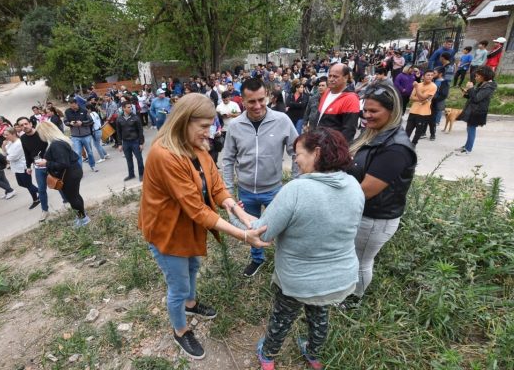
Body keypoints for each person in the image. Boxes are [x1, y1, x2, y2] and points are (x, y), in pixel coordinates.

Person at [138, 93, 268, 360]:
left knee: (193, 267)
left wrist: (242, 214)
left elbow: (216, 185)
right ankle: (180, 330)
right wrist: (243, 235)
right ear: (184, 121)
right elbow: (196, 208)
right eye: (204, 126)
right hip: (167, 232)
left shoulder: (196, 146)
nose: (210, 132)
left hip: (189, 227)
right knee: (178, 285)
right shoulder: (164, 154)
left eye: (211, 125)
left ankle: (191, 304)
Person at [226, 128, 363, 369]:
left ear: (316, 153)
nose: (295, 160)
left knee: (282, 317)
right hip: (337, 278)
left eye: (298, 154)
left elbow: (261, 233)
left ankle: (268, 356)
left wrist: (234, 212)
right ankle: (314, 354)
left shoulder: (297, 190)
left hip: (298, 279)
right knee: (319, 315)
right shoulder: (353, 185)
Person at [342, 84, 416, 309]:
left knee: (361, 260)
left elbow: (366, 190)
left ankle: (354, 300)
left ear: (392, 111)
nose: (367, 115)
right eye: (365, 110)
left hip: (375, 218)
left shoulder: (395, 148)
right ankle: (346, 291)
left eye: (374, 111)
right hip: (363, 212)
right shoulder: (375, 135)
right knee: (353, 257)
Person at [222, 78, 298, 277]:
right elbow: (228, 159)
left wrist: (296, 183)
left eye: (261, 100)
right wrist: (228, 192)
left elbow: (297, 152)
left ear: (268, 97)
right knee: (251, 229)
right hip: (245, 191)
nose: (257, 106)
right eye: (251, 101)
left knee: (285, 229)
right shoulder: (235, 126)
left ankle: (285, 261)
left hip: (274, 191)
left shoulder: (282, 120)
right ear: (242, 101)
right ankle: (257, 258)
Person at [36, 122, 89, 227]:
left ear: (44, 132)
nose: (39, 136)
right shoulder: (58, 141)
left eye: (39, 133)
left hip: (70, 174)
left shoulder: (56, 144)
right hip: (72, 172)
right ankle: (81, 216)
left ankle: (83, 219)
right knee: (75, 196)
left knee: (72, 197)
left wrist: (46, 163)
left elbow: (63, 164)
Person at [310, 63, 361, 142]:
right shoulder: (326, 92)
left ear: (345, 78)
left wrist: (337, 148)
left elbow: (349, 131)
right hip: (318, 142)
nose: (331, 79)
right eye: (330, 76)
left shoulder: (351, 98)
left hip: (332, 146)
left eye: (335, 76)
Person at [455, 66, 497, 156]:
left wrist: (470, 88)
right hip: (473, 109)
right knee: (469, 128)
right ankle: (466, 146)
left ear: (484, 76)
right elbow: (474, 96)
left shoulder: (489, 86)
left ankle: (468, 150)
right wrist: (466, 94)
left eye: (477, 76)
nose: (475, 77)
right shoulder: (483, 83)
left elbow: (477, 99)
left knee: (471, 129)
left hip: (478, 111)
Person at [2, 128, 40, 210]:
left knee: (28, 184)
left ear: (13, 134)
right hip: (16, 167)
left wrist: (5, 157)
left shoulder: (19, 143)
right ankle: (40, 191)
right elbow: (5, 153)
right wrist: (3, 146)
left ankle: (36, 199)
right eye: (4, 135)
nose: (5, 137)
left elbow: (12, 157)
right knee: (21, 184)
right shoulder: (10, 143)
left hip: (23, 167)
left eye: (7, 135)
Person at [64, 99, 98, 172]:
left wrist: (82, 123)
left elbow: (91, 121)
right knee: (78, 153)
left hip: (86, 135)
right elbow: (65, 121)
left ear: (76, 104)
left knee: (90, 152)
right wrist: (70, 123)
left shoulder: (84, 110)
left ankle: (93, 165)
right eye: (70, 106)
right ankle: (79, 170)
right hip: (75, 136)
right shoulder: (67, 112)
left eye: (73, 106)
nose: (72, 108)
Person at [405, 70, 437, 146]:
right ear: (423, 76)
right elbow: (411, 97)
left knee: (418, 131)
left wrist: (417, 89)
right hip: (413, 110)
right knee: (407, 130)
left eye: (431, 75)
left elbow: (422, 97)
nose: (430, 77)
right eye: (428, 75)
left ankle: (413, 145)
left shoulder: (433, 86)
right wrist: (423, 99)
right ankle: (404, 144)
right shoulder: (418, 84)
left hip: (423, 112)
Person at [115, 101, 145, 182]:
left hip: (135, 141)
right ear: (123, 108)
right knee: (128, 159)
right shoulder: (119, 119)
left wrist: (141, 143)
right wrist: (120, 144)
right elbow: (118, 132)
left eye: (131, 107)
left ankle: (142, 174)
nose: (130, 108)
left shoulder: (136, 118)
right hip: (126, 143)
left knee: (139, 159)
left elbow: (140, 131)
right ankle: (131, 175)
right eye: (128, 107)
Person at [429, 67, 450, 141]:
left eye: (434, 73)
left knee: (432, 120)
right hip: (428, 102)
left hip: (435, 103)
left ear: (440, 74)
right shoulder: (432, 80)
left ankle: (432, 134)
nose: (432, 74)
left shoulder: (444, 82)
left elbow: (444, 95)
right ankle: (423, 133)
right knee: (425, 118)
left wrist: (434, 98)